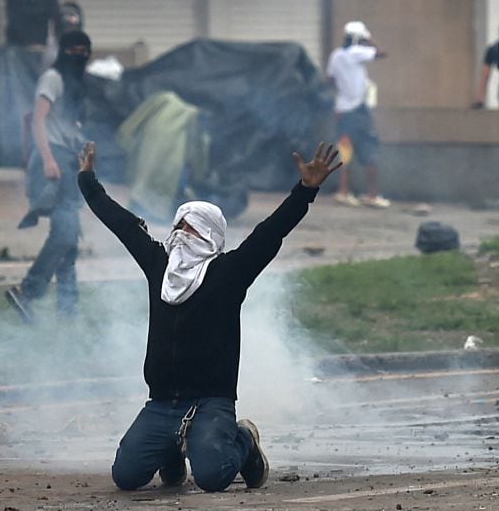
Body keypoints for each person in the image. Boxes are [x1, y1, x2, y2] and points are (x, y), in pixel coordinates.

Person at [77, 140, 341, 492]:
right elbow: (122, 224)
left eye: (193, 229)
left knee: (213, 476)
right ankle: (171, 450)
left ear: (212, 236)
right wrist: (88, 182)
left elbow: (270, 232)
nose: (182, 236)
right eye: (179, 227)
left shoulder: (229, 272)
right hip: (162, 402)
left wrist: (305, 190)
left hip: (211, 402)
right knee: (126, 476)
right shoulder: (159, 266)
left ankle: (244, 440)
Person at [5, 30, 93, 322]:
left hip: (67, 161)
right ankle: (27, 292)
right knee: (65, 233)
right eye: (74, 50)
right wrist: (47, 160)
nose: (79, 56)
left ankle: (68, 309)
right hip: (53, 161)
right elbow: (38, 121)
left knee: (69, 239)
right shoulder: (53, 79)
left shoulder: (75, 83)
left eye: (84, 51)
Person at [326, 21, 389, 208]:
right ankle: (372, 195)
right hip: (358, 112)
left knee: (345, 151)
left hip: (342, 110)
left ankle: (343, 192)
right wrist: (369, 40)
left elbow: (330, 80)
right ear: (359, 39)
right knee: (370, 150)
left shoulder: (336, 55)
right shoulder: (357, 52)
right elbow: (382, 53)